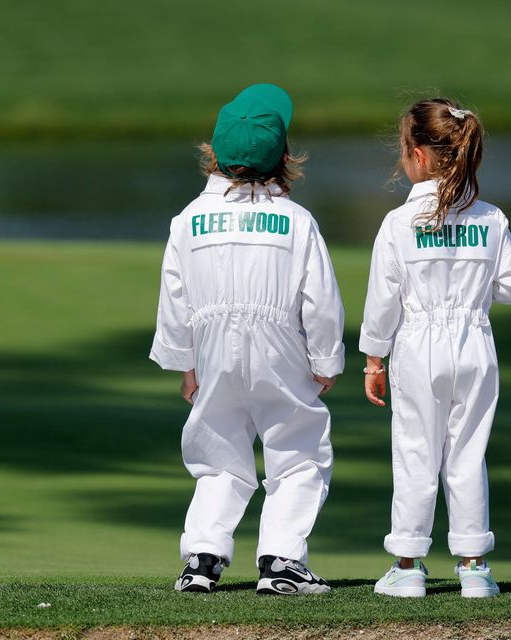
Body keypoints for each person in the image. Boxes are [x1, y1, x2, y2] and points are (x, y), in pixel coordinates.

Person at [150, 84, 345, 596]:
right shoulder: (297, 221)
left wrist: (184, 362)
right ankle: (281, 559)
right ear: (284, 157)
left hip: (212, 345)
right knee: (299, 447)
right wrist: (325, 359)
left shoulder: (189, 220)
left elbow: (175, 297)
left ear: (213, 152)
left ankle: (203, 558)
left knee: (217, 447)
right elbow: (320, 300)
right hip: (280, 343)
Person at [359, 98, 511, 598]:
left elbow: (381, 301)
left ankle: (409, 565)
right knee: (467, 451)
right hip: (475, 343)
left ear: (417, 154)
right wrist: (477, 292)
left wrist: (374, 358)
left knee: (416, 449)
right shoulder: (491, 218)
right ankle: (474, 567)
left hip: (417, 345)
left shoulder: (397, 223)